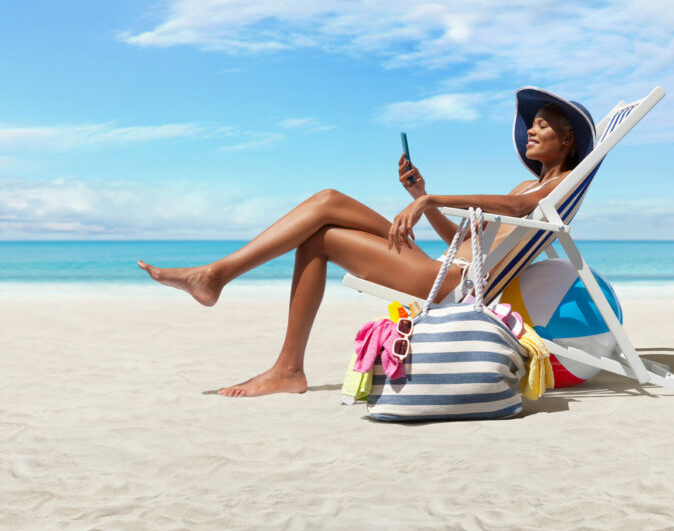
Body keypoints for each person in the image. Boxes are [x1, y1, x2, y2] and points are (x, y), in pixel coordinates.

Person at [137, 90, 595, 397]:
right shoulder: (523, 186)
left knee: (320, 239)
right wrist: (421, 197)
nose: (531, 131)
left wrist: (435, 197)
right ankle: (222, 282)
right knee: (328, 202)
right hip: (441, 264)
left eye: (540, 125)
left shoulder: (553, 190)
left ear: (567, 138)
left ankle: (279, 358)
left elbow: (516, 212)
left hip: (451, 286)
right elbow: (460, 239)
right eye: (531, 125)